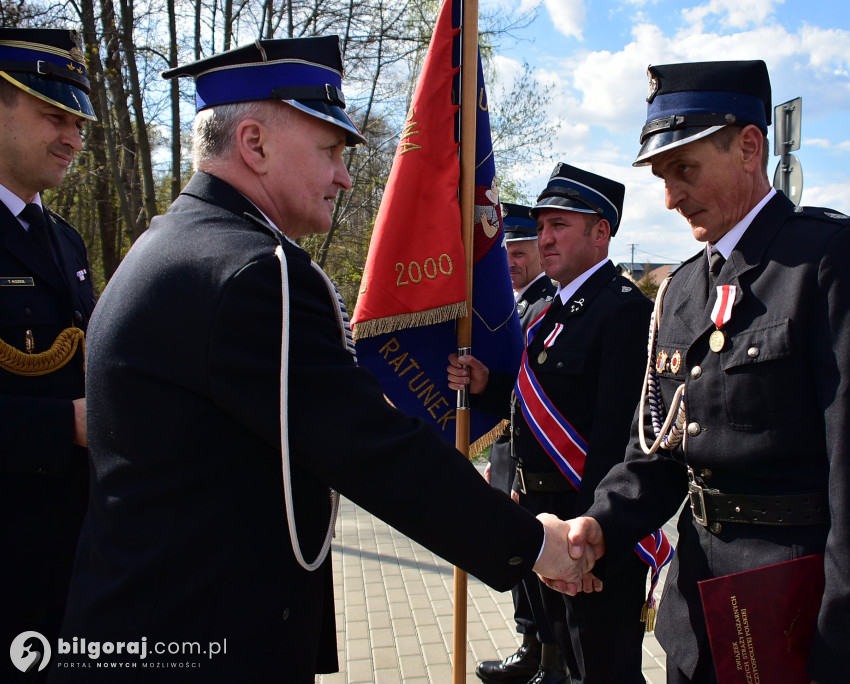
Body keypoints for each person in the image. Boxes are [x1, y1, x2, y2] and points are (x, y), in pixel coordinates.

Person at [53, 36, 588, 683]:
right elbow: (371, 450)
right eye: (330, 151)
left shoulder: (170, 244)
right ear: (254, 144)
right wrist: (535, 545)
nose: (344, 174)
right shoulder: (257, 271)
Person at [550, 60, 850, 684]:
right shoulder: (679, 291)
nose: (671, 197)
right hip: (701, 619)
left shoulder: (828, 261)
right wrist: (600, 524)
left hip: (799, 621)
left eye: (685, 169)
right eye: (662, 176)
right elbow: (660, 454)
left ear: (749, 146)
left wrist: (848, 652)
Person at [448, 164, 655, 684]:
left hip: (586, 525)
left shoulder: (624, 310)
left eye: (559, 226)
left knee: (603, 667)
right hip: (542, 516)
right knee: (558, 650)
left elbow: (615, 440)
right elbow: (536, 400)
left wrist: (588, 538)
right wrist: (486, 385)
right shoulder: (547, 308)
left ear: (600, 232)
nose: (545, 239)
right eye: (541, 227)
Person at [0, 27, 97, 683]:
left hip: (73, 569)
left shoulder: (64, 240)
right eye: (52, 115)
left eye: (79, 121)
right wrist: (67, 424)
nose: (72, 137)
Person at [477, 203, 563, 684]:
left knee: (539, 559)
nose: (510, 260)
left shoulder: (549, 302)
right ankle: (531, 646)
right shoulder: (512, 304)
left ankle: (551, 659)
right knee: (521, 558)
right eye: (505, 251)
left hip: (547, 458)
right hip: (512, 453)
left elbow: (535, 391)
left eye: (521, 250)